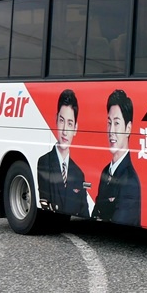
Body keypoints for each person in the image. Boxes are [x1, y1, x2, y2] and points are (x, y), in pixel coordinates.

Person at [37, 89, 89, 217]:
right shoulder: (44, 162)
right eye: (62, 121)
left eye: (70, 123)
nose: (65, 130)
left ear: (75, 128)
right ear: (56, 120)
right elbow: (46, 202)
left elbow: (85, 212)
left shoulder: (78, 174)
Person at [92, 89, 141, 226]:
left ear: (128, 128)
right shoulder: (106, 171)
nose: (111, 131)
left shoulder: (130, 181)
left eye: (117, 123)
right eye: (109, 123)